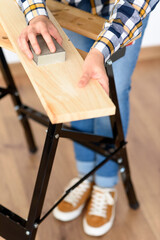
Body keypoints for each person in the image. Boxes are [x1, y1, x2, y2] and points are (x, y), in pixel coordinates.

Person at [17, 0, 159, 237]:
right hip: (70, 4)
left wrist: (99, 51)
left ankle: (105, 184)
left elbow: (133, 6)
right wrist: (36, 16)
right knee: (80, 82)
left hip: (121, 10)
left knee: (112, 88)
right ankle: (84, 175)